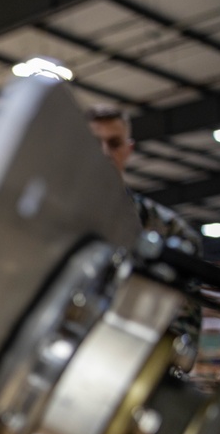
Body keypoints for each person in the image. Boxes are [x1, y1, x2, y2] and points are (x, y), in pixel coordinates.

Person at [85, 103, 203, 369]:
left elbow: (182, 336)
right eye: (94, 142)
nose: (105, 152)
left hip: (131, 376)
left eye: (114, 143)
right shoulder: (52, 223)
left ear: (129, 149)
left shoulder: (171, 232)